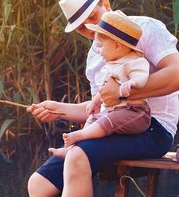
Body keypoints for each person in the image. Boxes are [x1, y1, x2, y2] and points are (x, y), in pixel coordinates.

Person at [26, 0, 179, 197]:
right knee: (39, 185)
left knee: (77, 156)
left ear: (107, 5)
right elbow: (102, 108)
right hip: (115, 125)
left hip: (154, 129)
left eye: (92, 17)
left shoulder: (146, 28)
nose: (89, 29)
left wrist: (124, 94)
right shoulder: (96, 54)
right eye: (81, 27)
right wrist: (60, 110)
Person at [49, 10, 151, 158]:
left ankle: (80, 136)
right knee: (94, 118)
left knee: (109, 120)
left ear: (117, 46)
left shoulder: (134, 61)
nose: (98, 50)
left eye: (100, 46)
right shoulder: (109, 66)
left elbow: (142, 77)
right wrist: (96, 102)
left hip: (135, 112)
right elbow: (103, 90)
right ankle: (73, 148)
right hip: (114, 111)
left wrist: (132, 82)